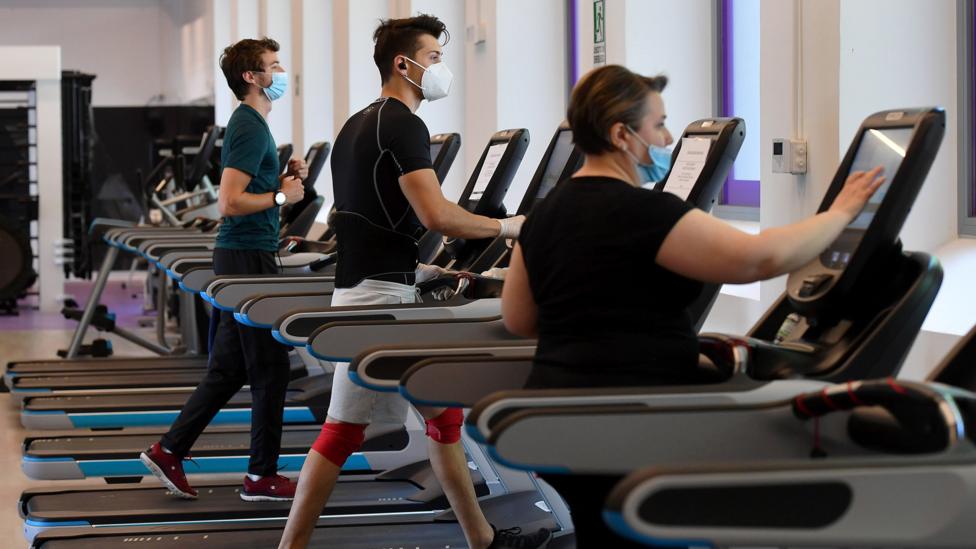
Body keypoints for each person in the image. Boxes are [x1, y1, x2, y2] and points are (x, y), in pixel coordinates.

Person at [500, 64, 885, 547]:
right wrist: (842, 214)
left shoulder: (546, 212)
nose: (665, 139)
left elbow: (519, 318)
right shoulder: (642, 212)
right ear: (622, 134)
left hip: (554, 418)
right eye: (658, 125)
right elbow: (760, 257)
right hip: (629, 423)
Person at [278, 14, 551, 549]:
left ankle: (483, 538)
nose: (441, 68)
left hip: (370, 288)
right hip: (378, 304)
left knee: (430, 420)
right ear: (403, 64)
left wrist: (424, 271)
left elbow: (367, 221)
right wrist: (510, 226)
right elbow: (438, 217)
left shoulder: (358, 123)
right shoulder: (404, 124)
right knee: (353, 430)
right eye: (433, 57)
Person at [140, 37, 308, 502]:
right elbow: (229, 202)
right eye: (273, 66)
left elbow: (245, 191)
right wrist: (280, 197)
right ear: (252, 77)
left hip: (244, 254)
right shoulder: (250, 125)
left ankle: (169, 450)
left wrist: (280, 181)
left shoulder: (254, 124)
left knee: (230, 368)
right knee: (271, 368)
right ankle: (261, 476)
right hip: (246, 259)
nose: (280, 74)